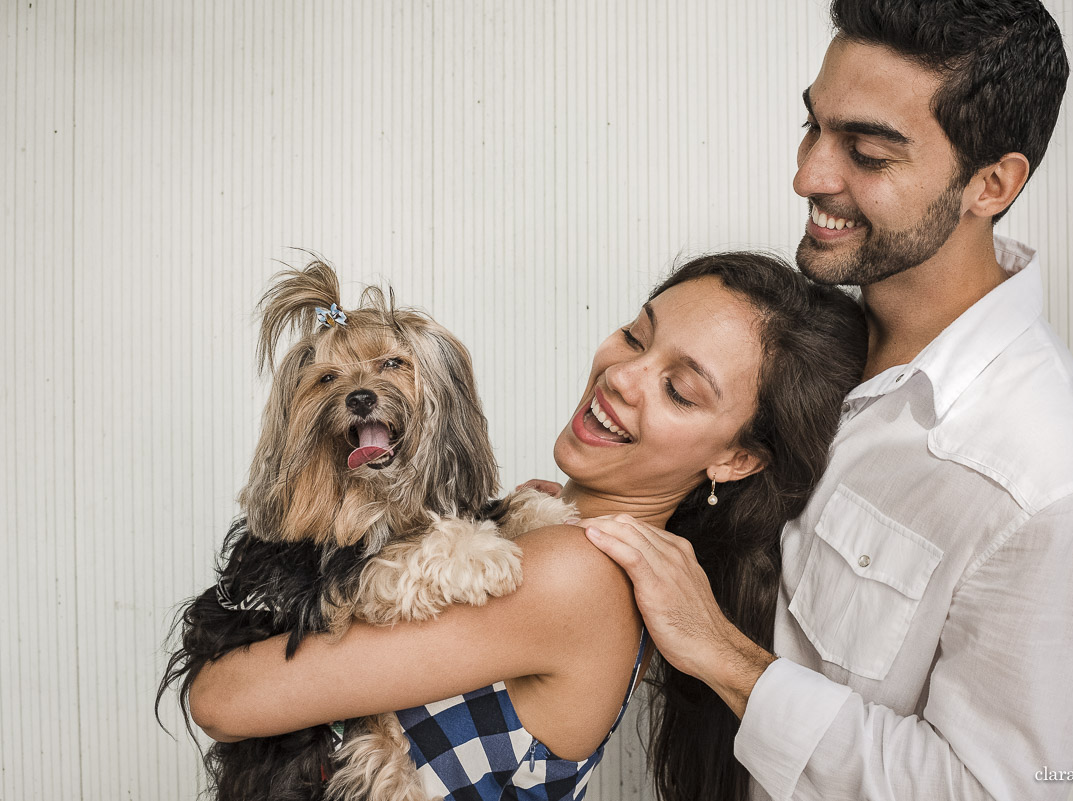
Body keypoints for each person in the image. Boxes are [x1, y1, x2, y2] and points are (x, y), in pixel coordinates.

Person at [582, 1, 1073, 800]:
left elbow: (981, 790)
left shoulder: (1051, 486)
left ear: (992, 183)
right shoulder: (818, 342)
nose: (809, 175)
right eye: (813, 126)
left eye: (868, 154)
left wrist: (723, 653)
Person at [187, 252, 869, 800]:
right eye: (636, 335)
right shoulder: (543, 542)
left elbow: (222, 698)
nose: (625, 375)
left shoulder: (574, 574)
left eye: (679, 389)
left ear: (736, 456)